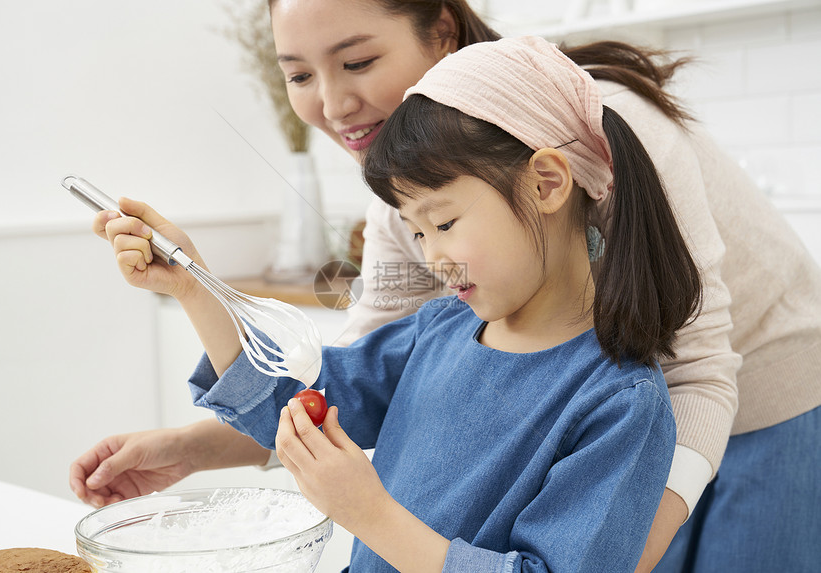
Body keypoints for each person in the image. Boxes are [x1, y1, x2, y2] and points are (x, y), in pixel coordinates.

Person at [69, 1, 821, 571]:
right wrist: (196, 293)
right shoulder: (435, 300)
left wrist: (621, 539)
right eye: (298, 74)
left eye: (357, 61)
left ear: (441, 34)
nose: (331, 104)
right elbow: (321, 389)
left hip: (766, 384)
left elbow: (698, 369)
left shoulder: (601, 137)